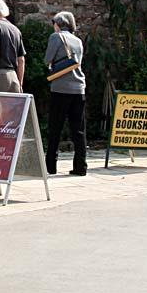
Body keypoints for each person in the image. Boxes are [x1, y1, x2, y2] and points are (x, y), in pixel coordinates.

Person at [44, 11, 87, 176]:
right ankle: (80, 166)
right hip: (79, 88)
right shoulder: (78, 40)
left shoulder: (56, 37)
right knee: (78, 129)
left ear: (58, 23)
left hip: (60, 88)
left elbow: (47, 59)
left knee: (55, 127)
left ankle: (51, 166)